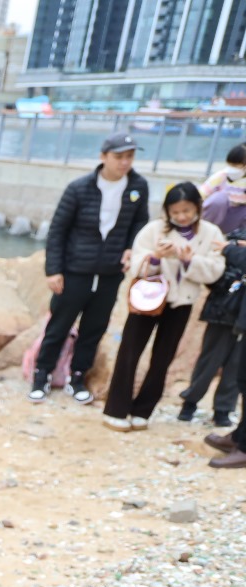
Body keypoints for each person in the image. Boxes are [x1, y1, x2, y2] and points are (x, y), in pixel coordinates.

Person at [33, 134, 152, 404]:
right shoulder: (79, 188)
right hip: (75, 270)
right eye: (119, 157)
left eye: (130, 157)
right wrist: (54, 270)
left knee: (94, 328)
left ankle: (77, 377)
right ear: (103, 157)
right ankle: (42, 374)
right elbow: (58, 230)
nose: (125, 162)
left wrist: (131, 247)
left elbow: (140, 222)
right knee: (59, 325)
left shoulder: (138, 186)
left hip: (110, 272)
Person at [103, 182, 226, 431]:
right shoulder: (153, 229)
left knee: (163, 359)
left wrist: (189, 260)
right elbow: (136, 266)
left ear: (197, 208)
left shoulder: (211, 233)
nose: (181, 216)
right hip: (148, 299)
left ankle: (143, 411)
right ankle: (116, 409)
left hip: (181, 303)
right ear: (167, 211)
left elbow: (215, 271)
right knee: (129, 353)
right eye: (175, 212)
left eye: (186, 210)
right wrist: (156, 257)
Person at [178, 227, 246, 427]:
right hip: (221, 311)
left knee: (237, 365)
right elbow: (213, 275)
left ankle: (223, 409)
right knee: (209, 361)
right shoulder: (232, 239)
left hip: (242, 317)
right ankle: (190, 401)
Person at [200, 144, 246, 234]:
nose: (231, 168)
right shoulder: (221, 176)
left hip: (236, 221)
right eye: (230, 164)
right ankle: (203, 230)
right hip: (218, 217)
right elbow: (201, 193)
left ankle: (238, 237)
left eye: (235, 165)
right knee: (219, 198)